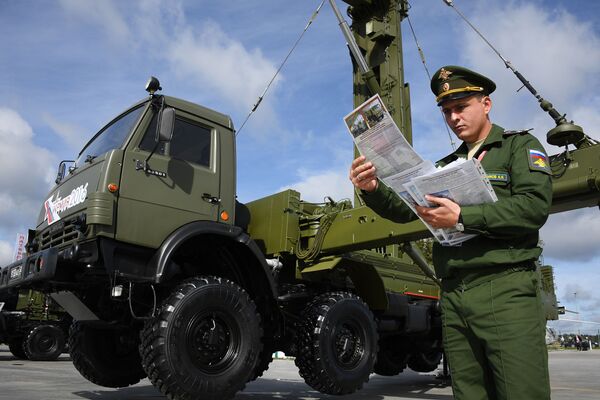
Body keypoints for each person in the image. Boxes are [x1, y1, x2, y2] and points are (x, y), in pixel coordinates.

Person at [350, 66, 553, 400]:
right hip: (455, 294)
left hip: (505, 286)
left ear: (486, 104)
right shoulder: (446, 166)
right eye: (447, 112)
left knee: (521, 391)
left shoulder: (518, 147)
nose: (454, 117)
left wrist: (462, 217)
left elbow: (533, 208)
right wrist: (372, 189)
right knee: (469, 393)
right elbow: (405, 210)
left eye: (461, 108)